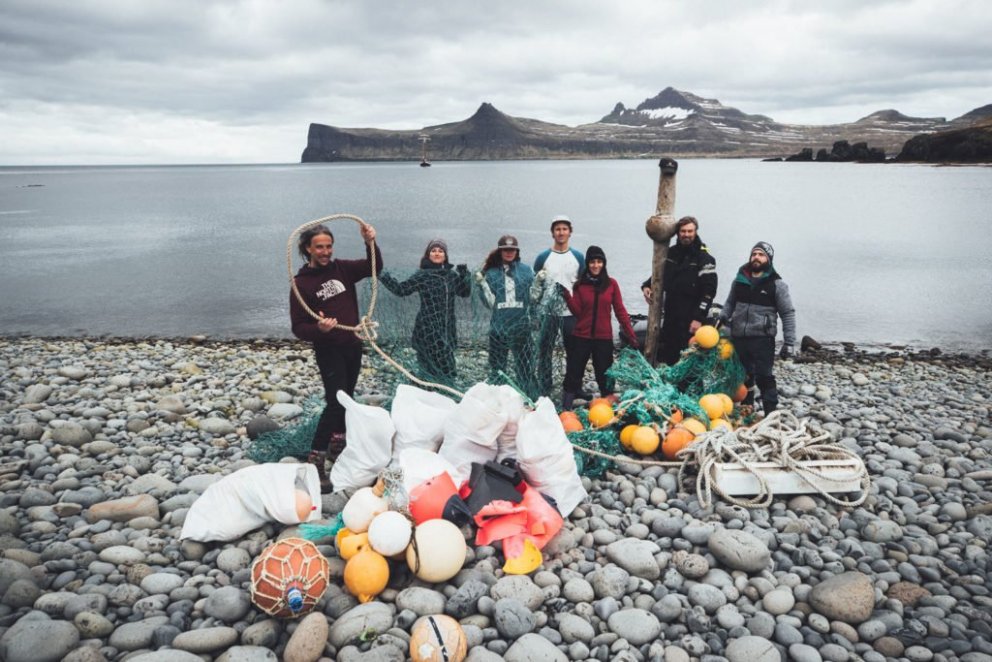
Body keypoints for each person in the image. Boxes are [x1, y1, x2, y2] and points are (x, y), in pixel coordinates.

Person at [290, 222, 383, 492]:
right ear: (307, 249)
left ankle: (337, 443)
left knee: (347, 397)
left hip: (351, 344)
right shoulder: (301, 284)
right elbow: (298, 327)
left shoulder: (342, 268)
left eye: (328, 246)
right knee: (335, 402)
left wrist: (370, 242)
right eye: (319, 247)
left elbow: (374, 267)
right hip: (328, 349)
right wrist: (318, 328)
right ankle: (315, 459)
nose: (325, 251)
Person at [719, 241, 796, 415]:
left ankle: (771, 413)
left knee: (764, 376)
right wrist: (722, 316)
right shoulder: (740, 280)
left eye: (761, 255)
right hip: (739, 336)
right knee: (743, 375)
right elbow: (730, 303)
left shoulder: (777, 285)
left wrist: (789, 342)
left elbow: (788, 313)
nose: (756, 257)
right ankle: (747, 408)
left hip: (763, 338)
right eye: (754, 254)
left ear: (768, 259)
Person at [559, 246, 639, 410]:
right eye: (592, 262)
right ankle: (566, 410)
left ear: (604, 263)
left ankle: (608, 409)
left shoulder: (611, 284)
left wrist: (631, 335)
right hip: (581, 336)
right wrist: (567, 295)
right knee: (574, 372)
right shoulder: (580, 285)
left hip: (603, 338)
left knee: (605, 374)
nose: (596, 265)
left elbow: (620, 310)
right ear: (587, 264)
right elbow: (578, 313)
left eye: (599, 262)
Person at [379, 239, 470, 381]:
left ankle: (447, 396)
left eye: (441, 251)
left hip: (447, 328)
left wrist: (465, 275)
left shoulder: (451, 275)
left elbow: (465, 292)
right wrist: (384, 277)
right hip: (427, 330)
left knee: (449, 370)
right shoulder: (422, 275)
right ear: (428, 255)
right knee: (427, 370)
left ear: (445, 256)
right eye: (433, 251)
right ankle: (426, 395)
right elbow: (401, 290)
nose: (437, 253)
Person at [641, 216, 718, 365]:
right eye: (683, 231)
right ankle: (670, 386)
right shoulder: (670, 253)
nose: (686, 235)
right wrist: (646, 286)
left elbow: (709, 291)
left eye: (690, 231)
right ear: (677, 233)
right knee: (670, 355)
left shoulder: (705, 258)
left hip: (691, 317)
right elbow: (658, 275)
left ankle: (689, 387)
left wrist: (699, 318)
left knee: (689, 359)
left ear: (695, 232)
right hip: (671, 315)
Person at [476, 235, 542, 397]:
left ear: (517, 251)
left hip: (522, 327)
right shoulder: (491, 273)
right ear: (500, 251)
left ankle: (528, 396)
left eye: (512, 249)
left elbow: (533, 298)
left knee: (525, 365)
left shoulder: (526, 270)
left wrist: (539, 282)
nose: (509, 252)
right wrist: (482, 284)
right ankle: (497, 397)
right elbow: (489, 303)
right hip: (499, 327)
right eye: (505, 250)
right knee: (498, 367)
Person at [533, 215, 585, 397]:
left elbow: (583, 284)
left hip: (570, 313)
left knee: (574, 351)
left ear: (570, 232)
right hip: (547, 312)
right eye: (557, 229)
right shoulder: (543, 257)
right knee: (545, 350)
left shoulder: (578, 257)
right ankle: (545, 385)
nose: (561, 232)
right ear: (552, 233)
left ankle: (573, 386)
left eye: (564, 229)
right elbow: (536, 285)